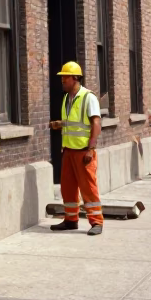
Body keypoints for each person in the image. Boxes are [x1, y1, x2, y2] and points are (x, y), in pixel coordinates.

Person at [49, 61, 103, 235]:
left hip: (83, 152)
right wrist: (60, 124)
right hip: (68, 151)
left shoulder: (89, 97)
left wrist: (91, 149)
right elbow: (74, 122)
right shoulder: (66, 98)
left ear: (75, 78)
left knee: (88, 188)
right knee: (68, 188)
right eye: (62, 77)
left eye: (65, 77)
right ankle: (71, 220)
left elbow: (96, 122)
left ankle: (96, 222)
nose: (62, 80)